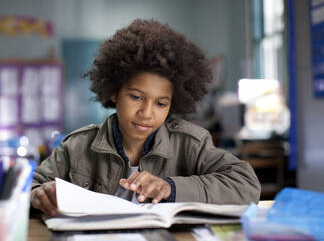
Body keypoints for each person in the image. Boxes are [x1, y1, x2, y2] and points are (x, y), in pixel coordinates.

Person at [31, 19, 261, 217]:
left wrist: (170, 187)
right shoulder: (77, 146)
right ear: (114, 92)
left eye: (161, 103)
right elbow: (30, 185)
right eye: (137, 97)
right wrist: (38, 194)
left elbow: (246, 184)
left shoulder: (192, 143)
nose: (147, 113)